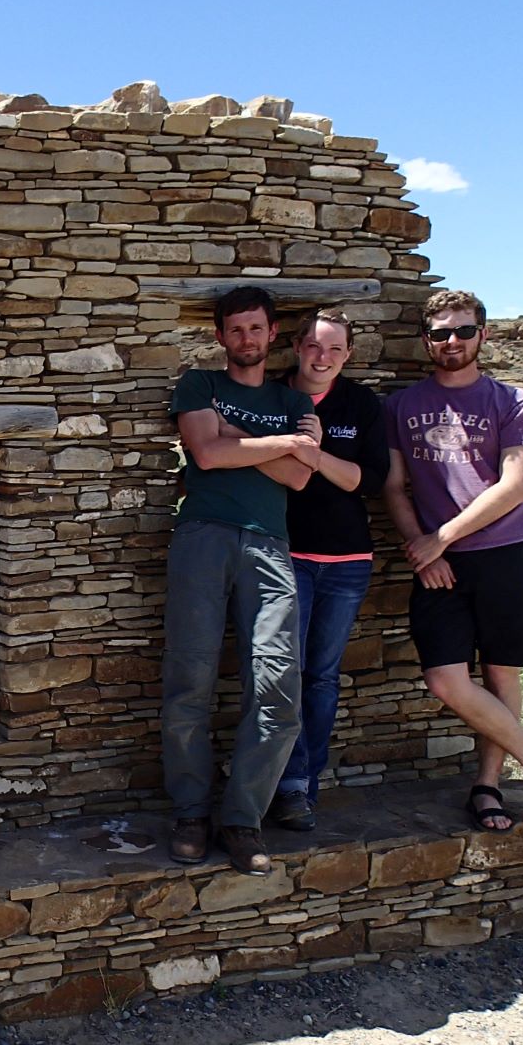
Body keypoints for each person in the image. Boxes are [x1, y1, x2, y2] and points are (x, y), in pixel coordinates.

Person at [382, 289, 523, 832]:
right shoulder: (399, 407)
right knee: (446, 679)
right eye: (441, 333)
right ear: (427, 340)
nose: (452, 342)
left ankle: (488, 785)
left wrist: (439, 538)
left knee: (499, 671)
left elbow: (513, 487)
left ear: (483, 335)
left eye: (463, 331)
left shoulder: (512, 402)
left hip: (504, 551)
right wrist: (425, 552)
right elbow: (394, 487)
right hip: (438, 562)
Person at [161, 285, 321, 875]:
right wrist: (282, 445)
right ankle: (190, 812)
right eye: (236, 330)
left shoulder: (289, 399)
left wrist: (237, 438)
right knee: (190, 678)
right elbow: (204, 454)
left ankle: (242, 818)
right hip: (202, 536)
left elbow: (300, 480)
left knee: (278, 687)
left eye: (256, 329)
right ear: (220, 336)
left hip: (270, 544)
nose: (247, 339)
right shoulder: (200, 386)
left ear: (272, 333)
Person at [264, 309, 389, 832]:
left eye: (334, 349)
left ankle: (304, 786)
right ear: (296, 346)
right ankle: (285, 785)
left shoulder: (360, 403)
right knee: (282, 673)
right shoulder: (272, 397)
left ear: (348, 356)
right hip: (286, 553)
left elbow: (369, 480)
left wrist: (314, 455)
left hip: (347, 561)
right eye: (314, 346)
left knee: (321, 678)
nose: (323, 357)